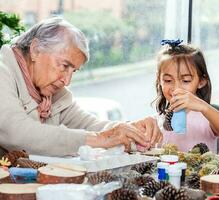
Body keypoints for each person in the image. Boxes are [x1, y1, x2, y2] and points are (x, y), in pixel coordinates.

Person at [0, 17, 162, 156]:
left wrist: (128, 129)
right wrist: (103, 138)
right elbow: (17, 133)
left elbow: (90, 125)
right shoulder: (3, 71)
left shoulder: (53, 94)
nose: (67, 81)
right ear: (35, 50)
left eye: (74, 71)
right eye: (64, 65)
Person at [154, 40, 219, 153]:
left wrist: (203, 107)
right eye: (168, 80)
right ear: (159, 81)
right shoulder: (159, 118)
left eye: (185, 80)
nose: (176, 88)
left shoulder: (206, 116)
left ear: (201, 81)